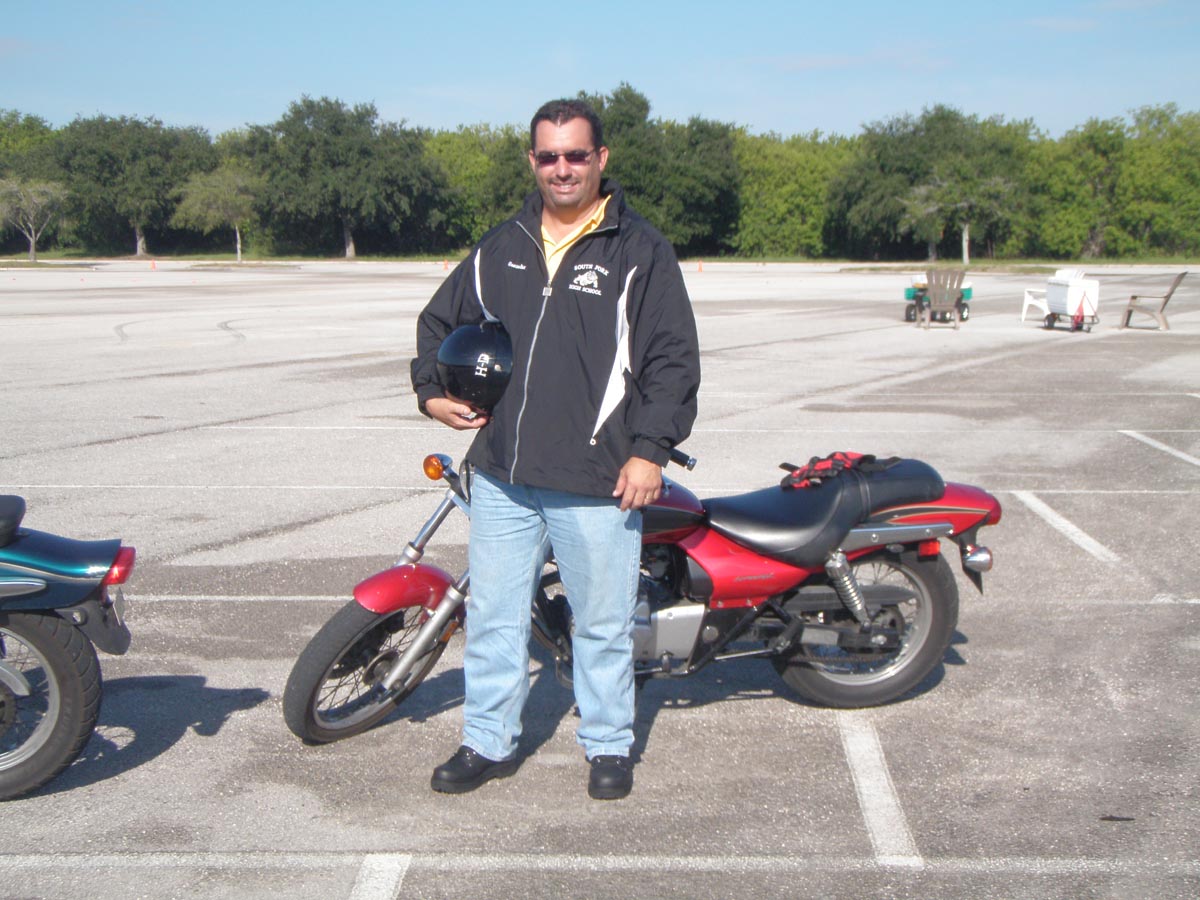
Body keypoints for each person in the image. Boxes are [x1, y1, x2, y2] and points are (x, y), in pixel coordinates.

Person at [410, 98, 700, 800]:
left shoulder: (638, 250)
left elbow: (672, 358)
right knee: (494, 619)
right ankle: (487, 740)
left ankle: (608, 744)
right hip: (503, 474)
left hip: (597, 477)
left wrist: (650, 449)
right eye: (548, 156)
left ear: (601, 159)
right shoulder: (502, 245)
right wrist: (431, 392)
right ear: (532, 161)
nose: (562, 168)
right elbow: (439, 322)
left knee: (600, 624)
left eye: (576, 155)